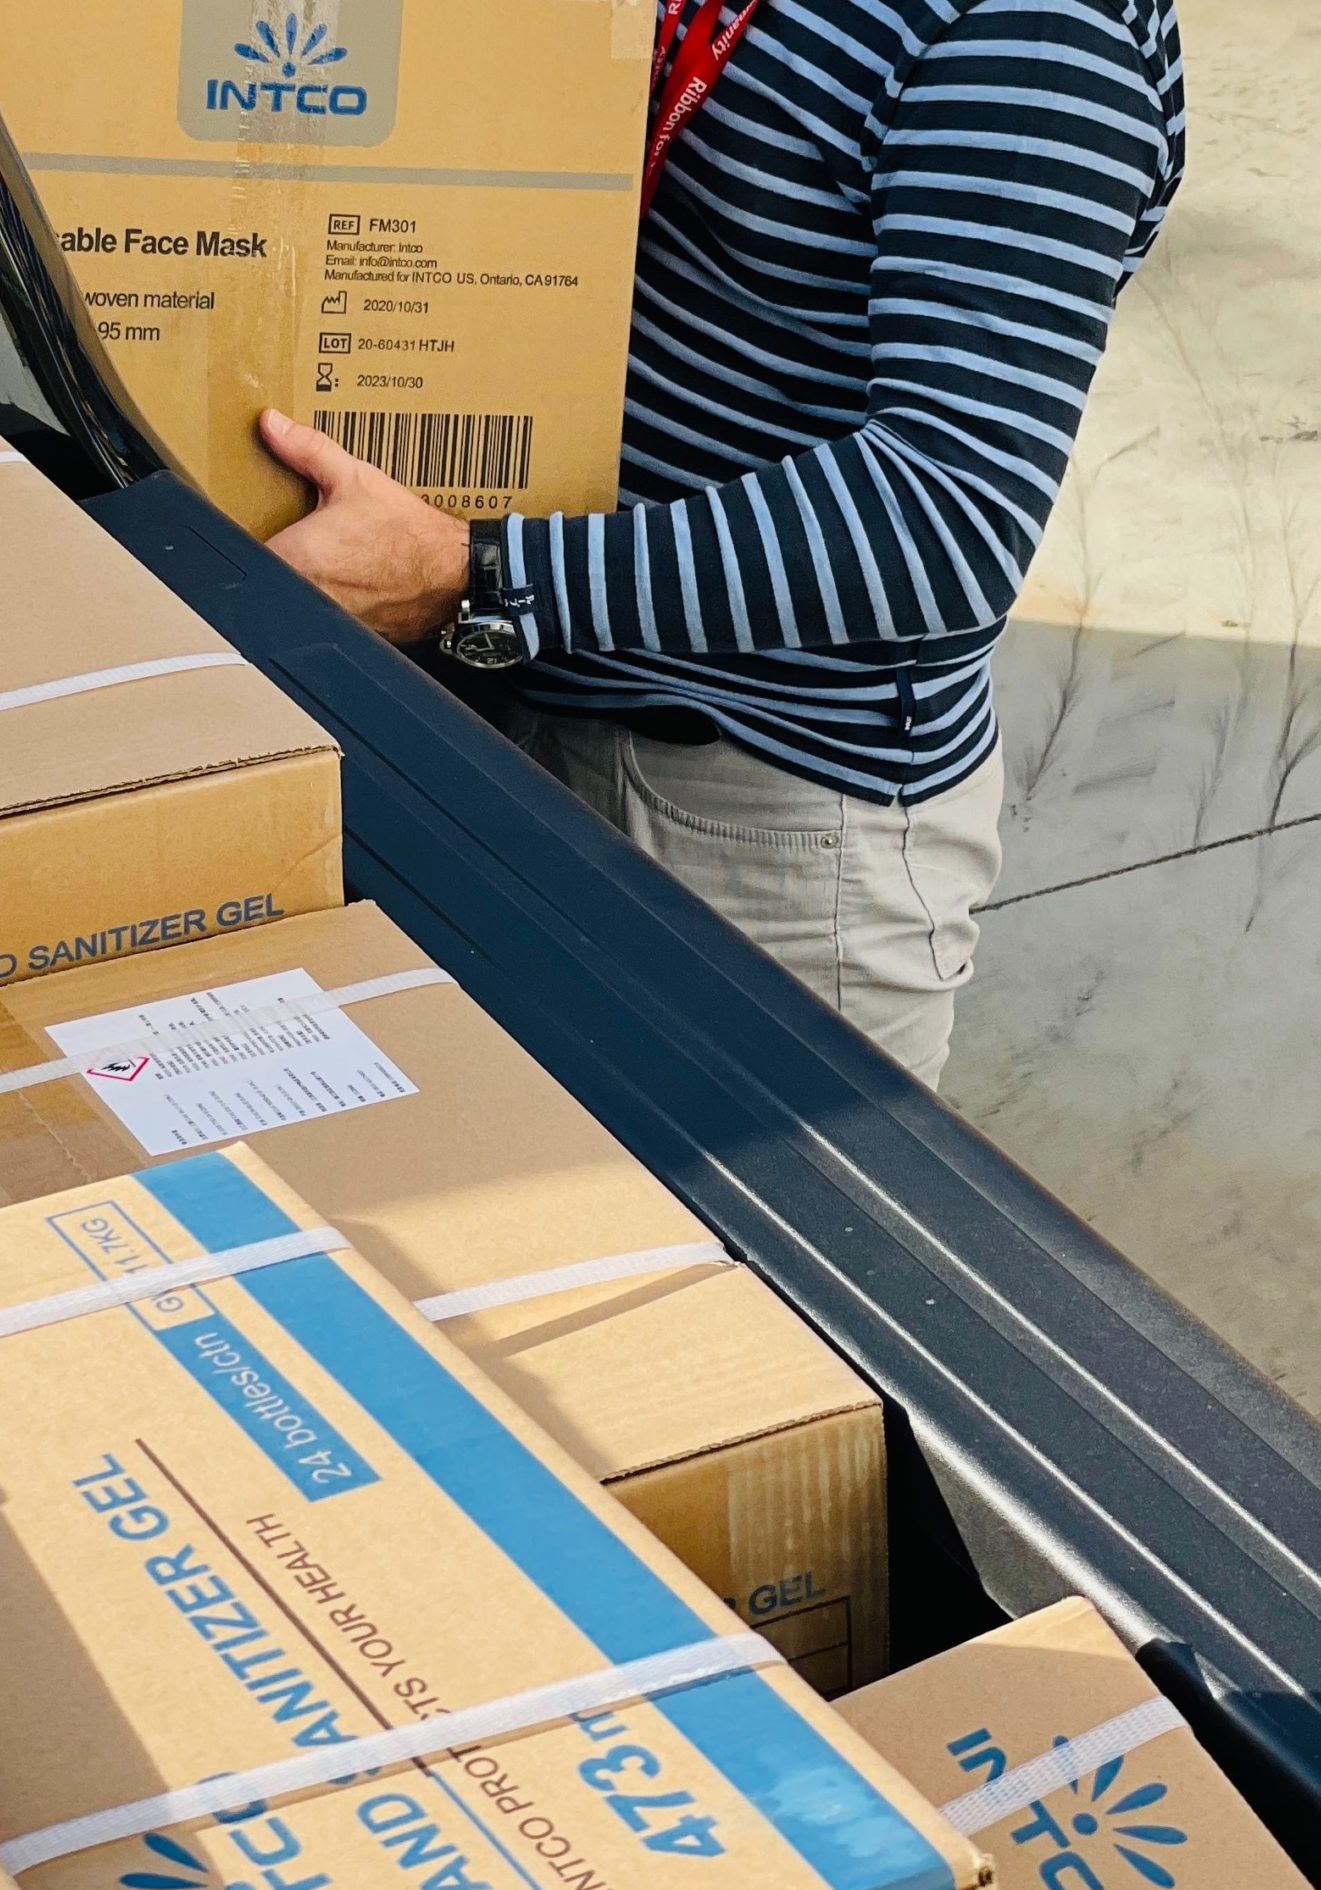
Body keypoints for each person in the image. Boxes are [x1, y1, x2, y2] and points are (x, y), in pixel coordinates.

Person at [258, 0, 1186, 1090]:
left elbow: (949, 517)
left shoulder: (1031, 40)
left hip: (755, 825)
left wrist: (481, 578)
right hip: (524, 711)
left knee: (716, 1199)